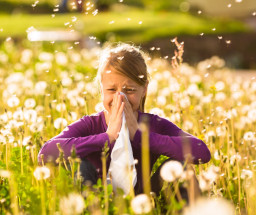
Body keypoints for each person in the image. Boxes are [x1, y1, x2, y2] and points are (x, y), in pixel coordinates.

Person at [38, 43, 211, 195]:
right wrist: (107, 137)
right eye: (112, 90)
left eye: (129, 90)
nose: (120, 98)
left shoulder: (152, 124)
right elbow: (46, 154)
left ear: (144, 89)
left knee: (182, 168)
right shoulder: (90, 124)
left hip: (145, 199)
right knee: (79, 165)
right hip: (96, 198)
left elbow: (201, 152)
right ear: (101, 89)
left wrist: (140, 136)